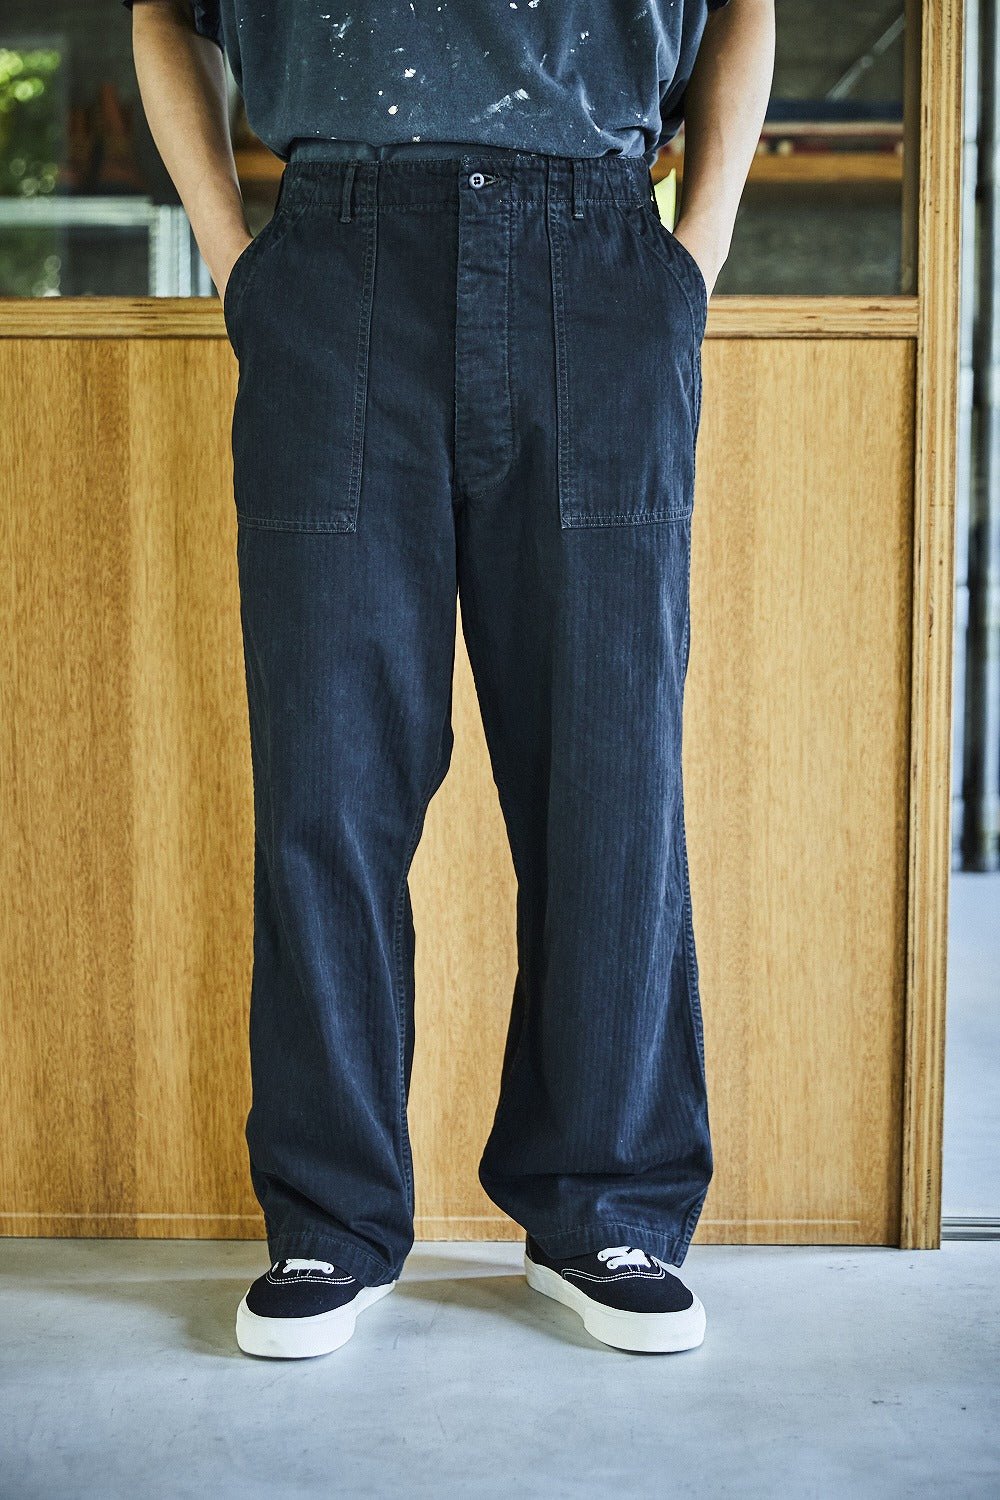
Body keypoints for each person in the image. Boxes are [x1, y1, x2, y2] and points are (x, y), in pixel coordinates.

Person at [125, 0, 774, 1359]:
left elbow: (743, 10)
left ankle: (607, 1208)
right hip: (337, 266)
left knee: (610, 775)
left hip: (599, 264)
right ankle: (329, 1218)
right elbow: (161, 14)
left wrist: (692, 257)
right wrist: (238, 257)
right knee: (329, 780)